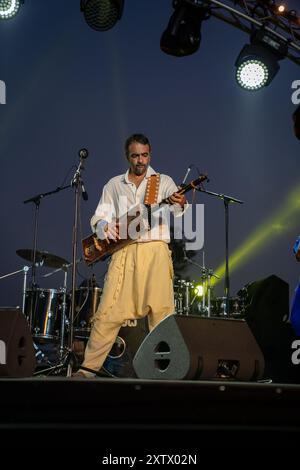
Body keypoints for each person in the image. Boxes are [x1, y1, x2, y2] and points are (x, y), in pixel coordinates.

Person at [74, 133, 187, 377]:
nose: (141, 161)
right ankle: (87, 370)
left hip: (155, 250)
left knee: (162, 315)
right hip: (123, 253)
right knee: (108, 312)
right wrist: (105, 227)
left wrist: (180, 201)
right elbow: (99, 217)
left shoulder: (163, 181)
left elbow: (178, 212)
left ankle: (165, 372)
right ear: (128, 156)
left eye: (145, 155)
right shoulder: (114, 185)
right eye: (135, 156)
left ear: (150, 154)